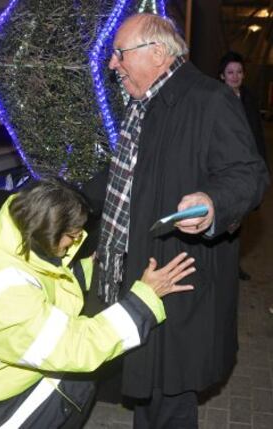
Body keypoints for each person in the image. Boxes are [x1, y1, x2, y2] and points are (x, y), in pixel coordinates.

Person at [85, 13, 270, 429]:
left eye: (120, 54)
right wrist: (72, 199)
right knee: (150, 385)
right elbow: (124, 176)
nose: (113, 64)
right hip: (141, 269)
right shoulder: (143, 104)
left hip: (181, 275)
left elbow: (250, 174)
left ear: (156, 53)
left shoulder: (209, 99)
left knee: (171, 391)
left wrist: (212, 201)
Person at [0, 179, 195, 429]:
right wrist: (143, 300)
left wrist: (89, 267)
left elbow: (43, 279)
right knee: (76, 381)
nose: (76, 240)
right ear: (50, 230)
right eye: (73, 235)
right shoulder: (6, 296)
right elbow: (78, 347)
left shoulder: (9, 228)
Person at [219, 51, 269, 281]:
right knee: (224, 218)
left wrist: (263, 167)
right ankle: (218, 265)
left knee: (241, 218)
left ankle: (233, 265)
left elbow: (257, 134)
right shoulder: (216, 99)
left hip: (246, 168)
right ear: (222, 76)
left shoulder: (248, 98)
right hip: (223, 168)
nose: (235, 76)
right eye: (230, 72)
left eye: (239, 72)